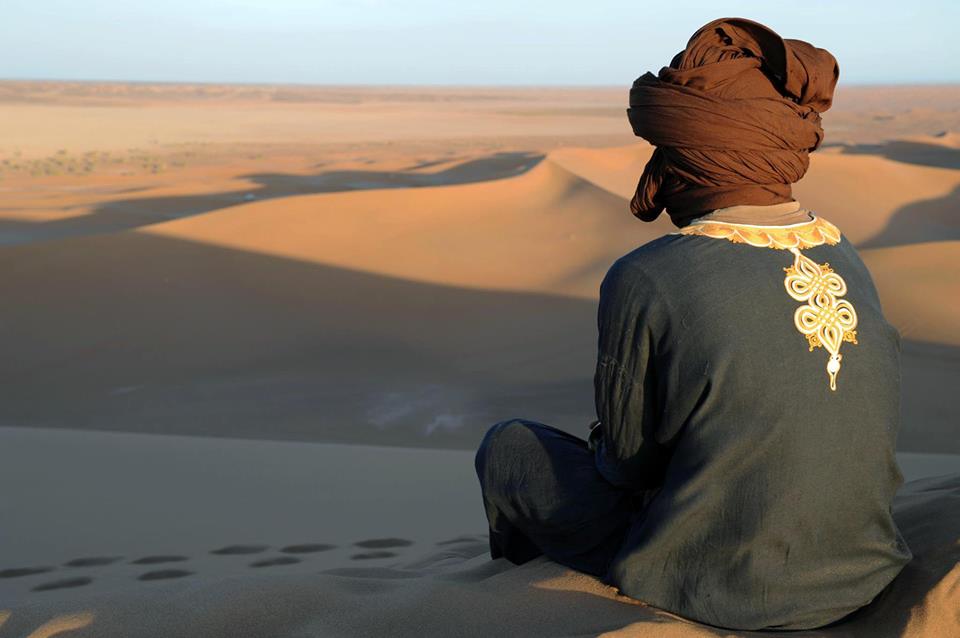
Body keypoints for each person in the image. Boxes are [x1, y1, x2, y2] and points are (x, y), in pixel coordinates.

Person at [473, 17, 912, 631]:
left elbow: (627, 465)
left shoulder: (648, 275)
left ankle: (518, 603)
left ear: (689, 154)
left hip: (721, 586)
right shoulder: (846, 254)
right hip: (864, 571)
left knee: (511, 447)